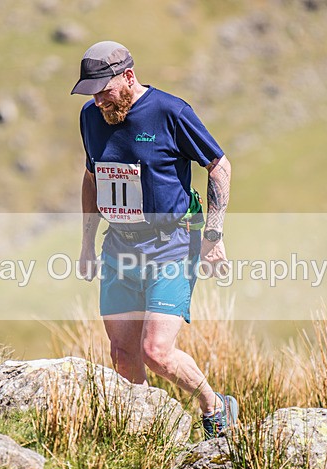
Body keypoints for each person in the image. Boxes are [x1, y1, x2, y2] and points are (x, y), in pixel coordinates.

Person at [72, 41, 238, 439]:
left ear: (128, 77)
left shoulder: (170, 111)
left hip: (171, 245)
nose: (97, 101)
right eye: (91, 93)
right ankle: (150, 436)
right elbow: (93, 177)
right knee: (123, 356)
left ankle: (215, 407)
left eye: (104, 90)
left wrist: (213, 235)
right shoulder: (90, 117)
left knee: (156, 352)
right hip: (118, 247)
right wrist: (86, 245)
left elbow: (219, 165)